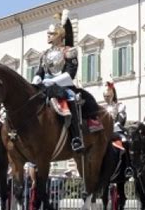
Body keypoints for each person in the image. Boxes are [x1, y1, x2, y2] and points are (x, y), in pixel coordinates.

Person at [32, 10, 99, 152]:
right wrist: (36, 79)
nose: (48, 36)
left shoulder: (69, 51)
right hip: (44, 85)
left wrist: (53, 81)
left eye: (50, 34)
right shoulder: (45, 54)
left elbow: (70, 73)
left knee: (70, 99)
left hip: (62, 85)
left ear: (58, 35)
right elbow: (40, 71)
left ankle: (76, 137)